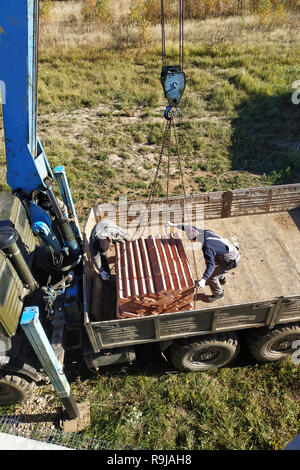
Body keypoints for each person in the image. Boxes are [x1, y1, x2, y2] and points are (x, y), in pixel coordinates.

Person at [167, 222, 240, 302]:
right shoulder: (205, 232)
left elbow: (211, 265)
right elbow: (188, 228)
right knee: (213, 265)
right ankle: (221, 278)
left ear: (195, 239)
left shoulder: (207, 247)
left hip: (231, 261)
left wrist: (204, 279)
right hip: (228, 251)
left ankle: (219, 294)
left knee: (211, 276)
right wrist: (175, 225)